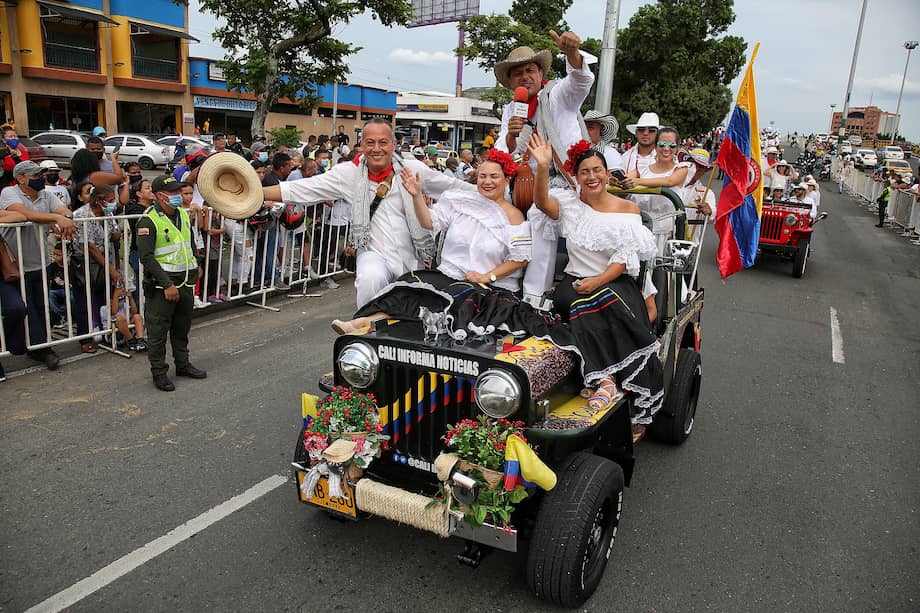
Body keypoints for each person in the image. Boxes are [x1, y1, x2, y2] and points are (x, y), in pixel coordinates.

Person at [261, 119, 474, 307]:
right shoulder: (347, 173)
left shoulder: (413, 170)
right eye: (370, 142)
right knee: (370, 278)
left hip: (413, 258)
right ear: (362, 145)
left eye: (383, 142)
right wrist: (256, 194)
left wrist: (488, 192)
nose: (376, 149)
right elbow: (300, 189)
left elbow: (453, 188)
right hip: (374, 254)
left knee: (412, 318)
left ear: (393, 144)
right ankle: (366, 329)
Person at [528, 133, 662, 428]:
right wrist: (542, 167)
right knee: (579, 301)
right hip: (574, 282)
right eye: (585, 172)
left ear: (606, 173)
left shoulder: (628, 209)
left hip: (614, 281)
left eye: (597, 170)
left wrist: (598, 281)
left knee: (600, 300)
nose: (591, 176)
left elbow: (624, 258)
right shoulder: (570, 206)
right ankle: (605, 379)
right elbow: (542, 203)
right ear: (577, 177)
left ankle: (607, 378)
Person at [331, 148, 531, 333]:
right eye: (482, 176)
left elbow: (520, 259)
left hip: (487, 287)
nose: (487, 181)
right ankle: (364, 322)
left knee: (452, 300)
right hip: (450, 276)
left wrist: (487, 276)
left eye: (494, 176)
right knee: (410, 286)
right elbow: (428, 222)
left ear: (506, 179)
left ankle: (369, 323)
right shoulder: (461, 201)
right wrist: (416, 195)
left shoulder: (514, 216)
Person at [493, 30, 594, 305]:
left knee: (540, 212)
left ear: (540, 73)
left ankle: (534, 297)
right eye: (517, 73)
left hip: (564, 186)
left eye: (530, 70)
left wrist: (572, 54)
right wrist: (512, 136)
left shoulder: (558, 95)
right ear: (511, 82)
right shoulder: (511, 109)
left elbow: (580, 82)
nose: (524, 77)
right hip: (521, 187)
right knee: (485, 209)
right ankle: (497, 283)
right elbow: (502, 154)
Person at [0, 161, 77, 368]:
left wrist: (65, 217)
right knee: (26, 308)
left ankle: (40, 346)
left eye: (40, 175)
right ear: (21, 178)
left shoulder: (45, 195)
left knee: (42, 306)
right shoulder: (9, 193)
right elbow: (26, 215)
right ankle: (39, 349)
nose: (40, 178)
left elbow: (64, 210)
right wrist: (56, 218)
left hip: (41, 261)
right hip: (17, 264)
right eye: (35, 175)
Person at [135, 175, 206, 391]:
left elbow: (189, 242)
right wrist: (167, 285)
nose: (178, 195)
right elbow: (146, 257)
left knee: (181, 328)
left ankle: (183, 365)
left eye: (179, 191)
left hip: (185, 281)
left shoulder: (182, 214)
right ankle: (159, 372)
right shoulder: (148, 220)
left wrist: (196, 263)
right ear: (160, 195)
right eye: (174, 192)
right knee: (158, 332)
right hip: (162, 286)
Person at [621, 127, 692, 253]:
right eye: (662, 144)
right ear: (655, 146)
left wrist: (637, 181)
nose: (666, 149)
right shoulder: (642, 169)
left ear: (677, 146)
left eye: (671, 145)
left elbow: (669, 181)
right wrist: (615, 181)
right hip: (638, 228)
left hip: (665, 232)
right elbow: (624, 179)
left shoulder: (681, 168)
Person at [101, 283, 146, 351]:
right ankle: (131, 341)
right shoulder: (104, 308)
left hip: (127, 332)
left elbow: (134, 311)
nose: (119, 300)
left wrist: (130, 298)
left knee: (137, 316)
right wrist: (116, 295)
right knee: (119, 318)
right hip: (114, 336)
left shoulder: (123, 305)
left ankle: (140, 341)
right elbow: (114, 312)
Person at [617, 112, 659, 177]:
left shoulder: (666, 157)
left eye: (651, 130)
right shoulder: (625, 158)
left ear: (658, 134)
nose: (645, 133)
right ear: (636, 132)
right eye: (641, 129)